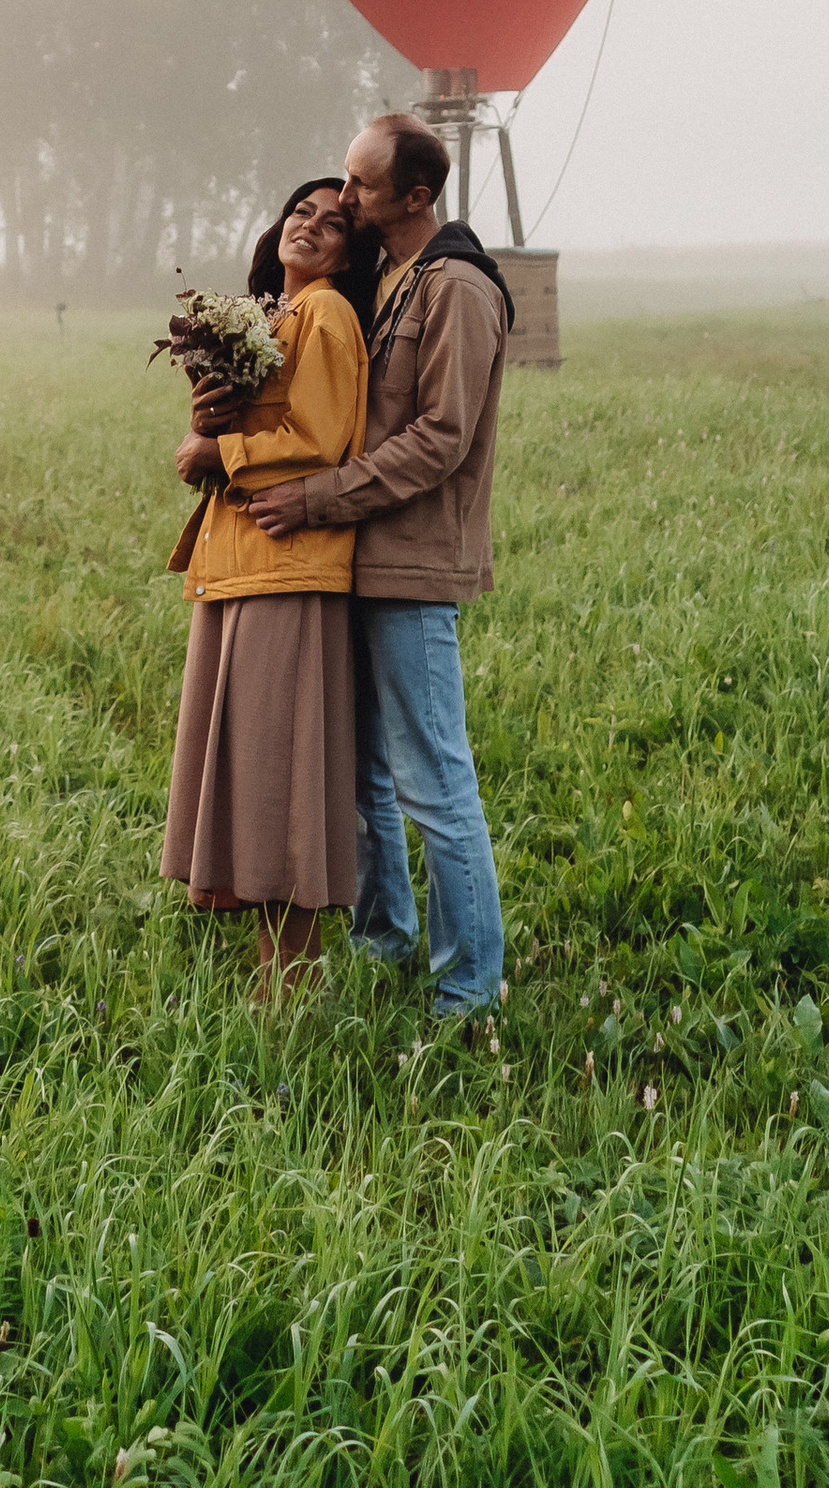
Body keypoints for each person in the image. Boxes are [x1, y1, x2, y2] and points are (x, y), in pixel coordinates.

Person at [250, 112, 511, 1021]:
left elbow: (442, 437)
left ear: (415, 197)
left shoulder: (458, 289)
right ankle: (382, 936)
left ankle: (470, 987)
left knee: (433, 782)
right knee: (364, 773)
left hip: (412, 566)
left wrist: (319, 499)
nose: (344, 196)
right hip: (362, 561)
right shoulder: (394, 278)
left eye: (360, 185)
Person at [157, 178, 369, 992]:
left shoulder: (326, 313)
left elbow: (319, 438)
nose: (311, 226)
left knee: (280, 770)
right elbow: (259, 423)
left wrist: (221, 457)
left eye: (334, 223)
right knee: (252, 766)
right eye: (301, 212)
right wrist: (204, 425)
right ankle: (273, 972)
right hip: (241, 563)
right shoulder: (270, 316)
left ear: (352, 253)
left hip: (286, 564)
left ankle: (294, 981)